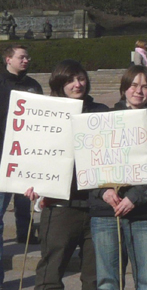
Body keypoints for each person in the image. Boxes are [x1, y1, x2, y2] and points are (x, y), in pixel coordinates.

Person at [25, 60, 109, 290]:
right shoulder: (46, 114)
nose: (77, 84)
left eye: (81, 78)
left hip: (97, 206)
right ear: (59, 83)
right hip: (60, 207)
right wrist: (29, 181)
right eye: (70, 80)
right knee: (50, 274)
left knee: (94, 277)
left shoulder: (101, 111)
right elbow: (31, 151)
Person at [89, 66, 147, 290]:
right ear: (124, 88)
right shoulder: (104, 118)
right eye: (134, 85)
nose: (139, 91)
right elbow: (89, 161)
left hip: (145, 212)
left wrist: (136, 197)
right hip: (106, 211)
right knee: (108, 281)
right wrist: (103, 191)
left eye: (145, 86)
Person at [0, 45, 42, 284]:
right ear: (8, 59)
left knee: (26, 199)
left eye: (28, 56)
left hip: (28, 153)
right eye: (21, 57)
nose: (26, 60)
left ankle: (25, 233)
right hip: (2, 155)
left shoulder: (34, 85)